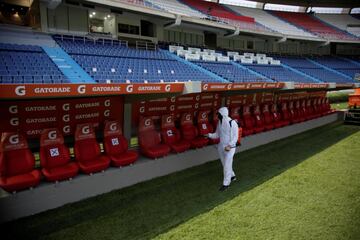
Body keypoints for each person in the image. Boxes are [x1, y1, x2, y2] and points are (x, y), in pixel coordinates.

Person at [206, 107, 238, 191]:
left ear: (223, 114)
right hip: (221, 147)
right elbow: (217, 134)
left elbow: (235, 137)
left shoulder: (232, 123)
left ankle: (226, 184)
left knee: (227, 165)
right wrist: (208, 135)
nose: (217, 116)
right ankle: (232, 176)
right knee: (224, 164)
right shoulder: (219, 123)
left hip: (230, 148)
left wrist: (230, 145)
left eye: (219, 114)